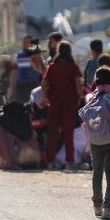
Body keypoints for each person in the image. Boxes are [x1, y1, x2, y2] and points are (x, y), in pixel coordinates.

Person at [85, 67, 110, 220]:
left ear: (96, 80)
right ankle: (108, 208)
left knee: (97, 172)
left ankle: (97, 205)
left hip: (95, 139)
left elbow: (87, 121)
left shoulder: (90, 98)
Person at [41, 41, 83, 170]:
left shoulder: (52, 66)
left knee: (53, 132)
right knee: (68, 132)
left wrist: (45, 97)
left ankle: (50, 162)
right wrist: (80, 97)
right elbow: (78, 83)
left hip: (55, 102)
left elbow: (44, 84)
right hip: (69, 102)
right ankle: (70, 162)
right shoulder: (73, 66)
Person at [9, 36, 44, 103]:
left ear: (31, 44)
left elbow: (42, 70)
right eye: (24, 42)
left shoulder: (37, 55)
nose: (25, 44)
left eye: (27, 42)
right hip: (21, 86)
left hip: (34, 85)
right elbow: (14, 72)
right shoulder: (18, 56)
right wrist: (12, 88)